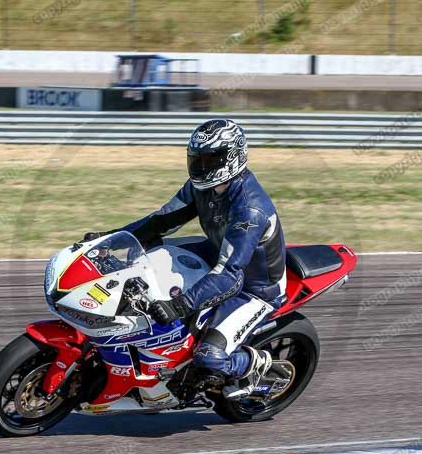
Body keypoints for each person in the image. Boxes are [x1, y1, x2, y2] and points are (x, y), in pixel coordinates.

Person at [83, 119, 287, 398]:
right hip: (214, 253)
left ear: (232, 157)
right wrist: (110, 239)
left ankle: (255, 364)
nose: (202, 167)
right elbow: (161, 222)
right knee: (141, 262)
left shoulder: (250, 211)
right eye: (197, 159)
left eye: (211, 159)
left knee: (208, 356)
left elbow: (230, 275)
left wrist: (179, 306)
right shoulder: (200, 187)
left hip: (253, 288)